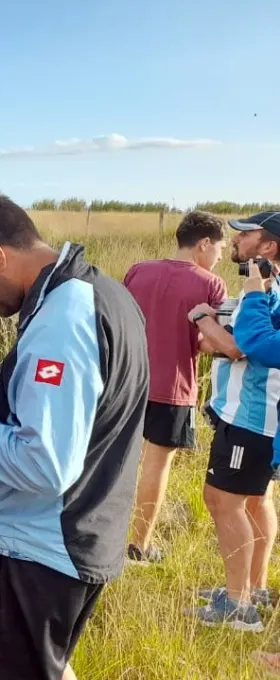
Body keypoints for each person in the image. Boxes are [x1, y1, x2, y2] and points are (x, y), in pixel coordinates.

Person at [0, 186, 148, 680]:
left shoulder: (62, 319)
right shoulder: (99, 293)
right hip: (74, 535)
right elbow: (85, 409)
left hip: (36, 549)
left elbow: (45, 462)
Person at [189, 211, 280, 630]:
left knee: (224, 501)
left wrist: (207, 321)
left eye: (246, 234)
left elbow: (246, 346)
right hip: (251, 412)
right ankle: (250, 587)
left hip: (253, 415)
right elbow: (224, 344)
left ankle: (239, 606)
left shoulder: (263, 288)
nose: (236, 240)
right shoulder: (266, 287)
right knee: (254, 500)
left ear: (268, 246)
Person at [122, 212, 228, 564]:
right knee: (157, 467)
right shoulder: (211, 285)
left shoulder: (138, 271)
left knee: (114, 461)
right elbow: (209, 344)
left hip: (127, 382)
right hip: (174, 387)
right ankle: (139, 546)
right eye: (220, 249)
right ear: (204, 244)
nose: (221, 257)